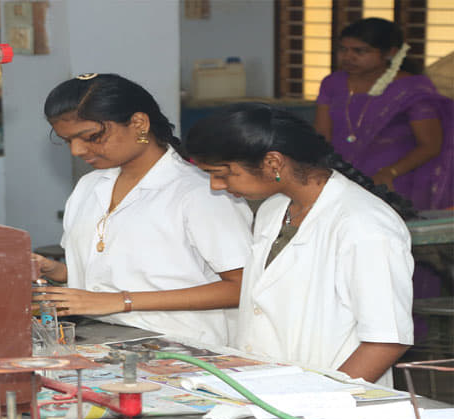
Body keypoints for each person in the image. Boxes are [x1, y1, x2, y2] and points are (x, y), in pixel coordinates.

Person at [186, 103, 414, 385]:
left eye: (223, 173)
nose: (216, 186)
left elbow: (386, 340)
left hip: (329, 406)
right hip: (269, 388)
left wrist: (321, 400)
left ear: (273, 163)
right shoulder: (274, 210)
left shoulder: (364, 225)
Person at [32, 73, 253, 347]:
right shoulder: (90, 187)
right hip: (103, 338)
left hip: (182, 348)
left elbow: (243, 287)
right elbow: (123, 271)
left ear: (138, 123)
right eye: (68, 141)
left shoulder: (201, 192)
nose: (77, 150)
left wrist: (120, 301)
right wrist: (57, 270)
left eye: (91, 136)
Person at [315, 17, 452, 211]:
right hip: (340, 176)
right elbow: (322, 136)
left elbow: (430, 146)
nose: (348, 57)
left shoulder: (411, 89)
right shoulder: (332, 83)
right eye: (343, 50)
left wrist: (390, 172)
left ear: (391, 53)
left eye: (359, 51)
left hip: (394, 179)